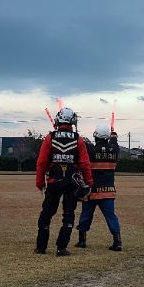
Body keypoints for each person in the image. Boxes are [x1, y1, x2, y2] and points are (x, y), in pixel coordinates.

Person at [34, 107, 94, 256]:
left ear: (58, 119)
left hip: (54, 181)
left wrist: (40, 180)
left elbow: (42, 162)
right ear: (73, 120)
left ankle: (41, 247)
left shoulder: (50, 138)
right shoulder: (78, 139)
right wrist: (89, 182)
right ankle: (61, 248)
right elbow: (85, 164)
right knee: (68, 214)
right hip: (71, 183)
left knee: (47, 213)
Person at [76, 124, 122, 251]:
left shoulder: (90, 150)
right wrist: (113, 136)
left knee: (85, 215)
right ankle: (117, 241)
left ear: (95, 136)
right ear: (107, 137)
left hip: (91, 191)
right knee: (111, 216)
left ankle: (82, 240)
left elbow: (82, 145)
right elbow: (114, 143)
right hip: (108, 191)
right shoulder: (114, 151)